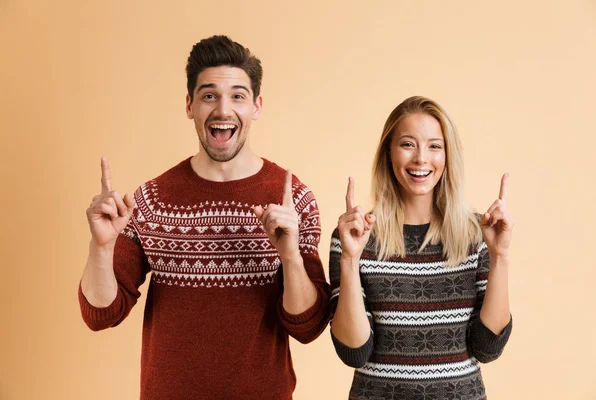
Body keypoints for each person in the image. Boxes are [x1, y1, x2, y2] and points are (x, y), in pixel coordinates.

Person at [78, 35, 330, 400]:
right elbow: (100, 315)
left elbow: (308, 326)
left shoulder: (293, 200)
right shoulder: (151, 200)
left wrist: (289, 257)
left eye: (238, 96)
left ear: (256, 106)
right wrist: (101, 247)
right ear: (189, 105)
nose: (223, 110)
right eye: (209, 95)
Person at [329, 96, 513, 399]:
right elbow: (354, 352)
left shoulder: (477, 233)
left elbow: (487, 347)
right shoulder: (356, 236)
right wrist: (350, 259)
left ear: (448, 156)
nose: (421, 158)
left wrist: (500, 255)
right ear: (389, 153)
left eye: (434, 146)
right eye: (407, 144)